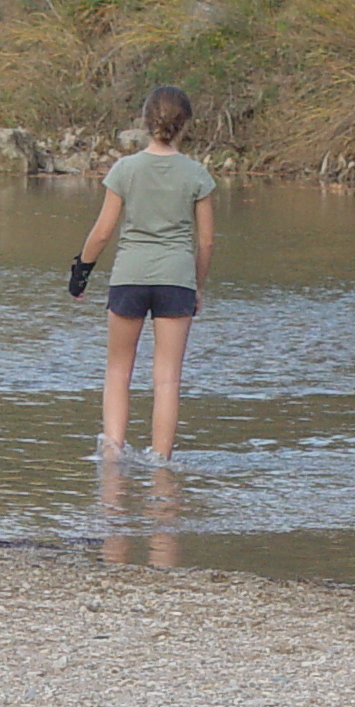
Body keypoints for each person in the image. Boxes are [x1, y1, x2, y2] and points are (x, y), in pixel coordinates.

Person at [69, 85, 215, 462]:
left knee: (118, 371)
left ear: (146, 122)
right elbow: (207, 242)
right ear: (185, 125)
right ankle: (161, 462)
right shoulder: (197, 174)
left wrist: (80, 273)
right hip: (176, 280)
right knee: (166, 379)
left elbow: (102, 232)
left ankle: (114, 454)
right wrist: (197, 287)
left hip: (129, 278)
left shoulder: (125, 169)